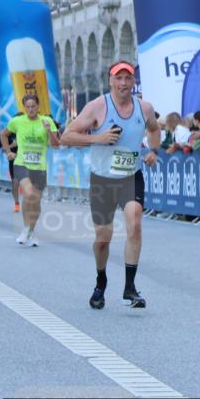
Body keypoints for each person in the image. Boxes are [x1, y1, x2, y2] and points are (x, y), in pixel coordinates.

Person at [60, 60, 160, 309]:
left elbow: (155, 130)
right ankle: (101, 279)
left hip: (130, 176)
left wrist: (154, 151)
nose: (124, 83)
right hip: (103, 180)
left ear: (133, 81)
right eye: (119, 78)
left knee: (135, 222)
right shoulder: (97, 107)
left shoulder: (144, 108)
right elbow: (67, 136)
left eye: (128, 78)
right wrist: (98, 138)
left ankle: (130, 288)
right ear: (110, 81)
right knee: (103, 238)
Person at [0, 94, 60, 246]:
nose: (31, 109)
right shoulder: (17, 121)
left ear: (38, 106)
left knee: (36, 200)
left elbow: (56, 145)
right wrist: (8, 152)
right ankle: (26, 229)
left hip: (39, 167)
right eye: (28, 106)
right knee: (28, 194)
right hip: (22, 164)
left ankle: (30, 231)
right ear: (24, 107)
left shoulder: (47, 121)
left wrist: (49, 131)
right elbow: (3, 134)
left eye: (34, 106)